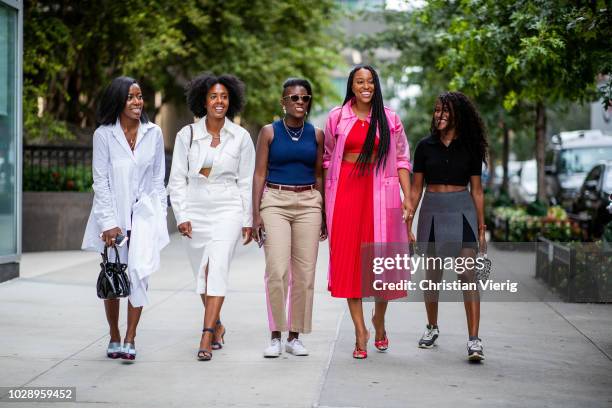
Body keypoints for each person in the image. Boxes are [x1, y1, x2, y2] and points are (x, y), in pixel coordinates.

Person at [323, 65, 413, 359]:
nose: (365, 86)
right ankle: (360, 331)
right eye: (359, 81)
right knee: (350, 260)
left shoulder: (390, 118)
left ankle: (379, 320)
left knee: (382, 262)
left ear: (376, 86)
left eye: (370, 81)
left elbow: (401, 158)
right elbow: (327, 158)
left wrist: (408, 196)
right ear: (351, 86)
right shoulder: (337, 116)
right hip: (347, 193)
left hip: (380, 193)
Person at [167, 73, 255, 361]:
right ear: (203, 100)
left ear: (232, 101)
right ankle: (218, 324)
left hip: (227, 208)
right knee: (201, 275)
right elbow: (176, 179)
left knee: (215, 269)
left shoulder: (241, 137)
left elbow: (246, 181)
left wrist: (247, 219)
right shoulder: (187, 135)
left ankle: (206, 334)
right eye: (214, 96)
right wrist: (181, 215)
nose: (220, 102)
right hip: (195, 208)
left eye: (225, 97)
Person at [82, 76, 169, 361]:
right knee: (113, 277)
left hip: (143, 217)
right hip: (113, 218)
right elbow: (100, 181)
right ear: (118, 100)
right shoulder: (104, 135)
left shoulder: (153, 132)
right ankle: (114, 335)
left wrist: (159, 216)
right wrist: (108, 222)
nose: (137, 102)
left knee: (139, 276)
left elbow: (158, 178)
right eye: (131, 97)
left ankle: (131, 337)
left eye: (139, 96)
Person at [407, 91, 488, 361]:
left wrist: (481, 227)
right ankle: (432, 327)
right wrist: (408, 220)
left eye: (445, 110)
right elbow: (416, 190)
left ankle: (474, 340)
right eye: (437, 110)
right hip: (431, 210)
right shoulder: (424, 146)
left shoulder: (471, 147)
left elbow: (477, 190)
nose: (439, 115)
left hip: (462, 210)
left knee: (467, 274)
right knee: (432, 277)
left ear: (457, 115)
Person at [252, 78, 326, 358]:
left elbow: (320, 174)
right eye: (294, 98)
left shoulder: (316, 134)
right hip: (275, 201)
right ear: (283, 102)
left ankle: (294, 336)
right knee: (277, 270)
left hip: (308, 202)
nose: (300, 103)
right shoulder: (269, 132)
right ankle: (275, 334)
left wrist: (324, 213)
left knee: (305, 275)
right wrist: (255, 213)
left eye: (305, 98)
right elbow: (259, 174)